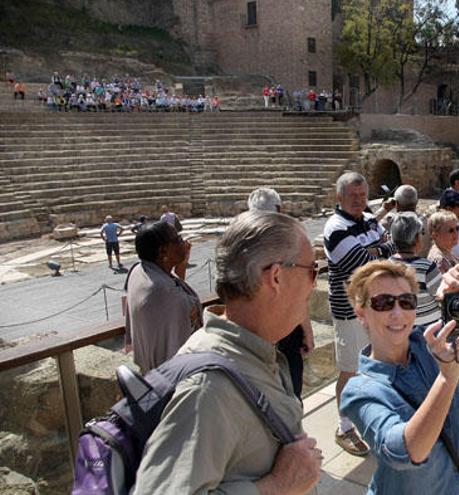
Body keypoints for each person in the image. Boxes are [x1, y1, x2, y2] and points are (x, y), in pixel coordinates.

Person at [132, 211, 323, 493]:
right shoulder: (207, 389)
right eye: (312, 270)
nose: (314, 283)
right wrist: (275, 486)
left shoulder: (250, 351)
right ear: (277, 277)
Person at [340, 260, 459, 494]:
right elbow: (404, 452)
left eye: (407, 301)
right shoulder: (359, 391)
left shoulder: (428, 344)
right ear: (361, 313)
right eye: (383, 303)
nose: (398, 313)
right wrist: (446, 379)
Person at [323, 172, 395, 456]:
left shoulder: (367, 219)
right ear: (338, 197)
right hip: (349, 311)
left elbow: (388, 246)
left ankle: (369, 415)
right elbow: (361, 264)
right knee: (350, 371)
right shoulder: (335, 227)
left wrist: (378, 250)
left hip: (374, 308)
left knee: (374, 367)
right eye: (353, 196)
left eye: (363, 195)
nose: (359, 200)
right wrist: (380, 250)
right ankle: (344, 428)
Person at [248, 187, 315, 399]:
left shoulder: (240, 240)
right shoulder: (289, 241)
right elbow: (298, 292)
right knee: (291, 391)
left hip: (252, 330)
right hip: (286, 326)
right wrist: (308, 332)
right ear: (279, 208)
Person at [124, 222, 200, 372]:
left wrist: (181, 265)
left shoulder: (140, 270)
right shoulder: (163, 292)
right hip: (171, 376)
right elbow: (189, 316)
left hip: (150, 371)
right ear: (163, 250)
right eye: (178, 239)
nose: (184, 243)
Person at [389, 212, 443, 326]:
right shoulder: (427, 268)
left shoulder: (386, 266)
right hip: (428, 331)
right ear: (417, 238)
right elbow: (442, 297)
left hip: (400, 330)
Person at [427, 210, 459, 274]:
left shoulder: (446, 250)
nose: (456, 233)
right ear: (436, 235)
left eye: (457, 228)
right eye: (450, 230)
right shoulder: (439, 260)